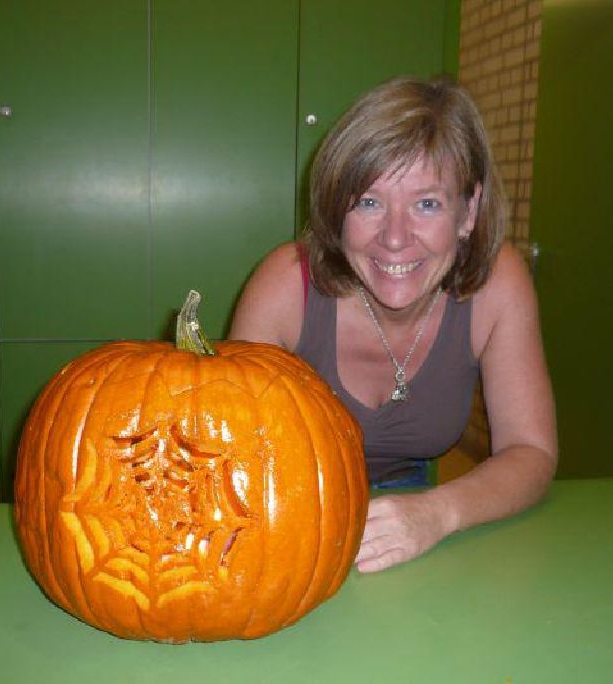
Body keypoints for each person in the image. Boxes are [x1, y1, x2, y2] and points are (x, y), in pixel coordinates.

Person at [229, 76, 557, 573]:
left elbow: (530, 450)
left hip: (415, 502)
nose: (396, 238)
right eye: (369, 202)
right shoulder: (284, 284)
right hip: (289, 505)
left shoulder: (499, 282)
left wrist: (438, 513)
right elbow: (232, 455)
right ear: (337, 210)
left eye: (427, 203)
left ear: (468, 211)